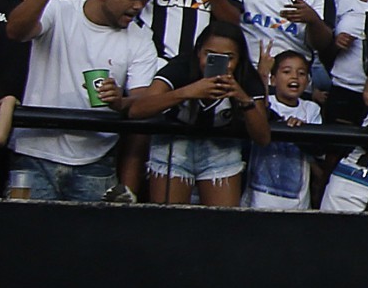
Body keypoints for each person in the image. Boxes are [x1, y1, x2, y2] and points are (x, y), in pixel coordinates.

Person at [5, 0, 163, 202]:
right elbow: (15, 31)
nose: (139, 5)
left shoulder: (141, 38)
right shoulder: (58, 9)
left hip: (96, 159)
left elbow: (142, 99)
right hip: (34, 153)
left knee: (92, 239)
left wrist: (119, 101)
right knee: (25, 235)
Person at [127, 20, 264, 206]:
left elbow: (263, 137)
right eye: (210, 54)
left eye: (229, 57)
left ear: (239, 59)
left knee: (221, 226)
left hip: (221, 149)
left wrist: (244, 99)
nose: (219, 61)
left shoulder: (246, 77)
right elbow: (138, 110)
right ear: (199, 51)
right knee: (170, 222)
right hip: (174, 144)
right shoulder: (182, 66)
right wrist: (187, 92)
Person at [244, 49, 324, 210]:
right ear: (273, 79)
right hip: (259, 196)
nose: (295, 76)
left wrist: (301, 130)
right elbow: (262, 115)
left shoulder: (311, 109)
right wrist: (262, 76)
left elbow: (318, 147)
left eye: (301, 73)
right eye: (287, 71)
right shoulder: (268, 102)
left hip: (297, 200)